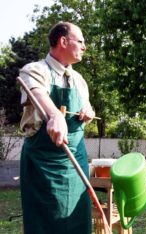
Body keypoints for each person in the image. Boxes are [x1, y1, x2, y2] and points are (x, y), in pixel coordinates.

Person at [19, 21, 95, 234]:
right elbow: (36, 93)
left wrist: (88, 112)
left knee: (78, 220)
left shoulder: (79, 80)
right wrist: (54, 115)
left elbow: (87, 107)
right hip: (44, 164)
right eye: (80, 41)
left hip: (76, 162)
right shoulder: (34, 70)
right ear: (63, 41)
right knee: (45, 222)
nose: (84, 46)